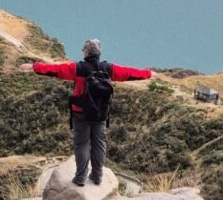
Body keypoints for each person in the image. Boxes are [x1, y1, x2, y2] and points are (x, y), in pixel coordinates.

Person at [19, 39, 158, 186]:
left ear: (85, 52)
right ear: (99, 53)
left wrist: (34, 66)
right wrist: (148, 74)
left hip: (81, 113)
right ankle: (97, 176)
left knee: (82, 144)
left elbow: (55, 70)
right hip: (101, 113)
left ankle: (80, 178)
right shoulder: (108, 68)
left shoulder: (78, 68)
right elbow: (129, 73)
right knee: (99, 144)